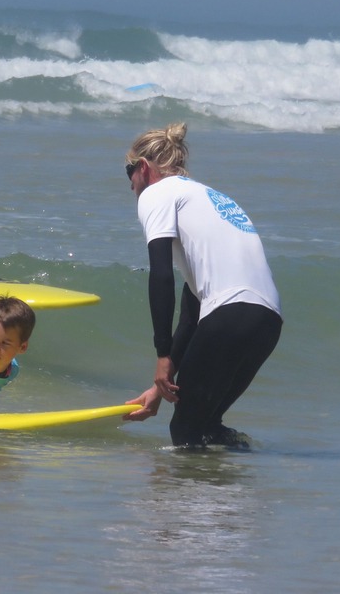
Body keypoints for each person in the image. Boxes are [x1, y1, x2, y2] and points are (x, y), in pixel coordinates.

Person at [121, 123, 283, 448]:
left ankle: (189, 498)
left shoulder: (156, 193)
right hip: (267, 322)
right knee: (205, 426)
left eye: (129, 173)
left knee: (184, 432)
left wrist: (162, 355)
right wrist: (160, 388)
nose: (131, 187)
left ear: (143, 167)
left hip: (229, 314)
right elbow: (192, 310)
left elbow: (161, 275)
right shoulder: (207, 197)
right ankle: (230, 490)